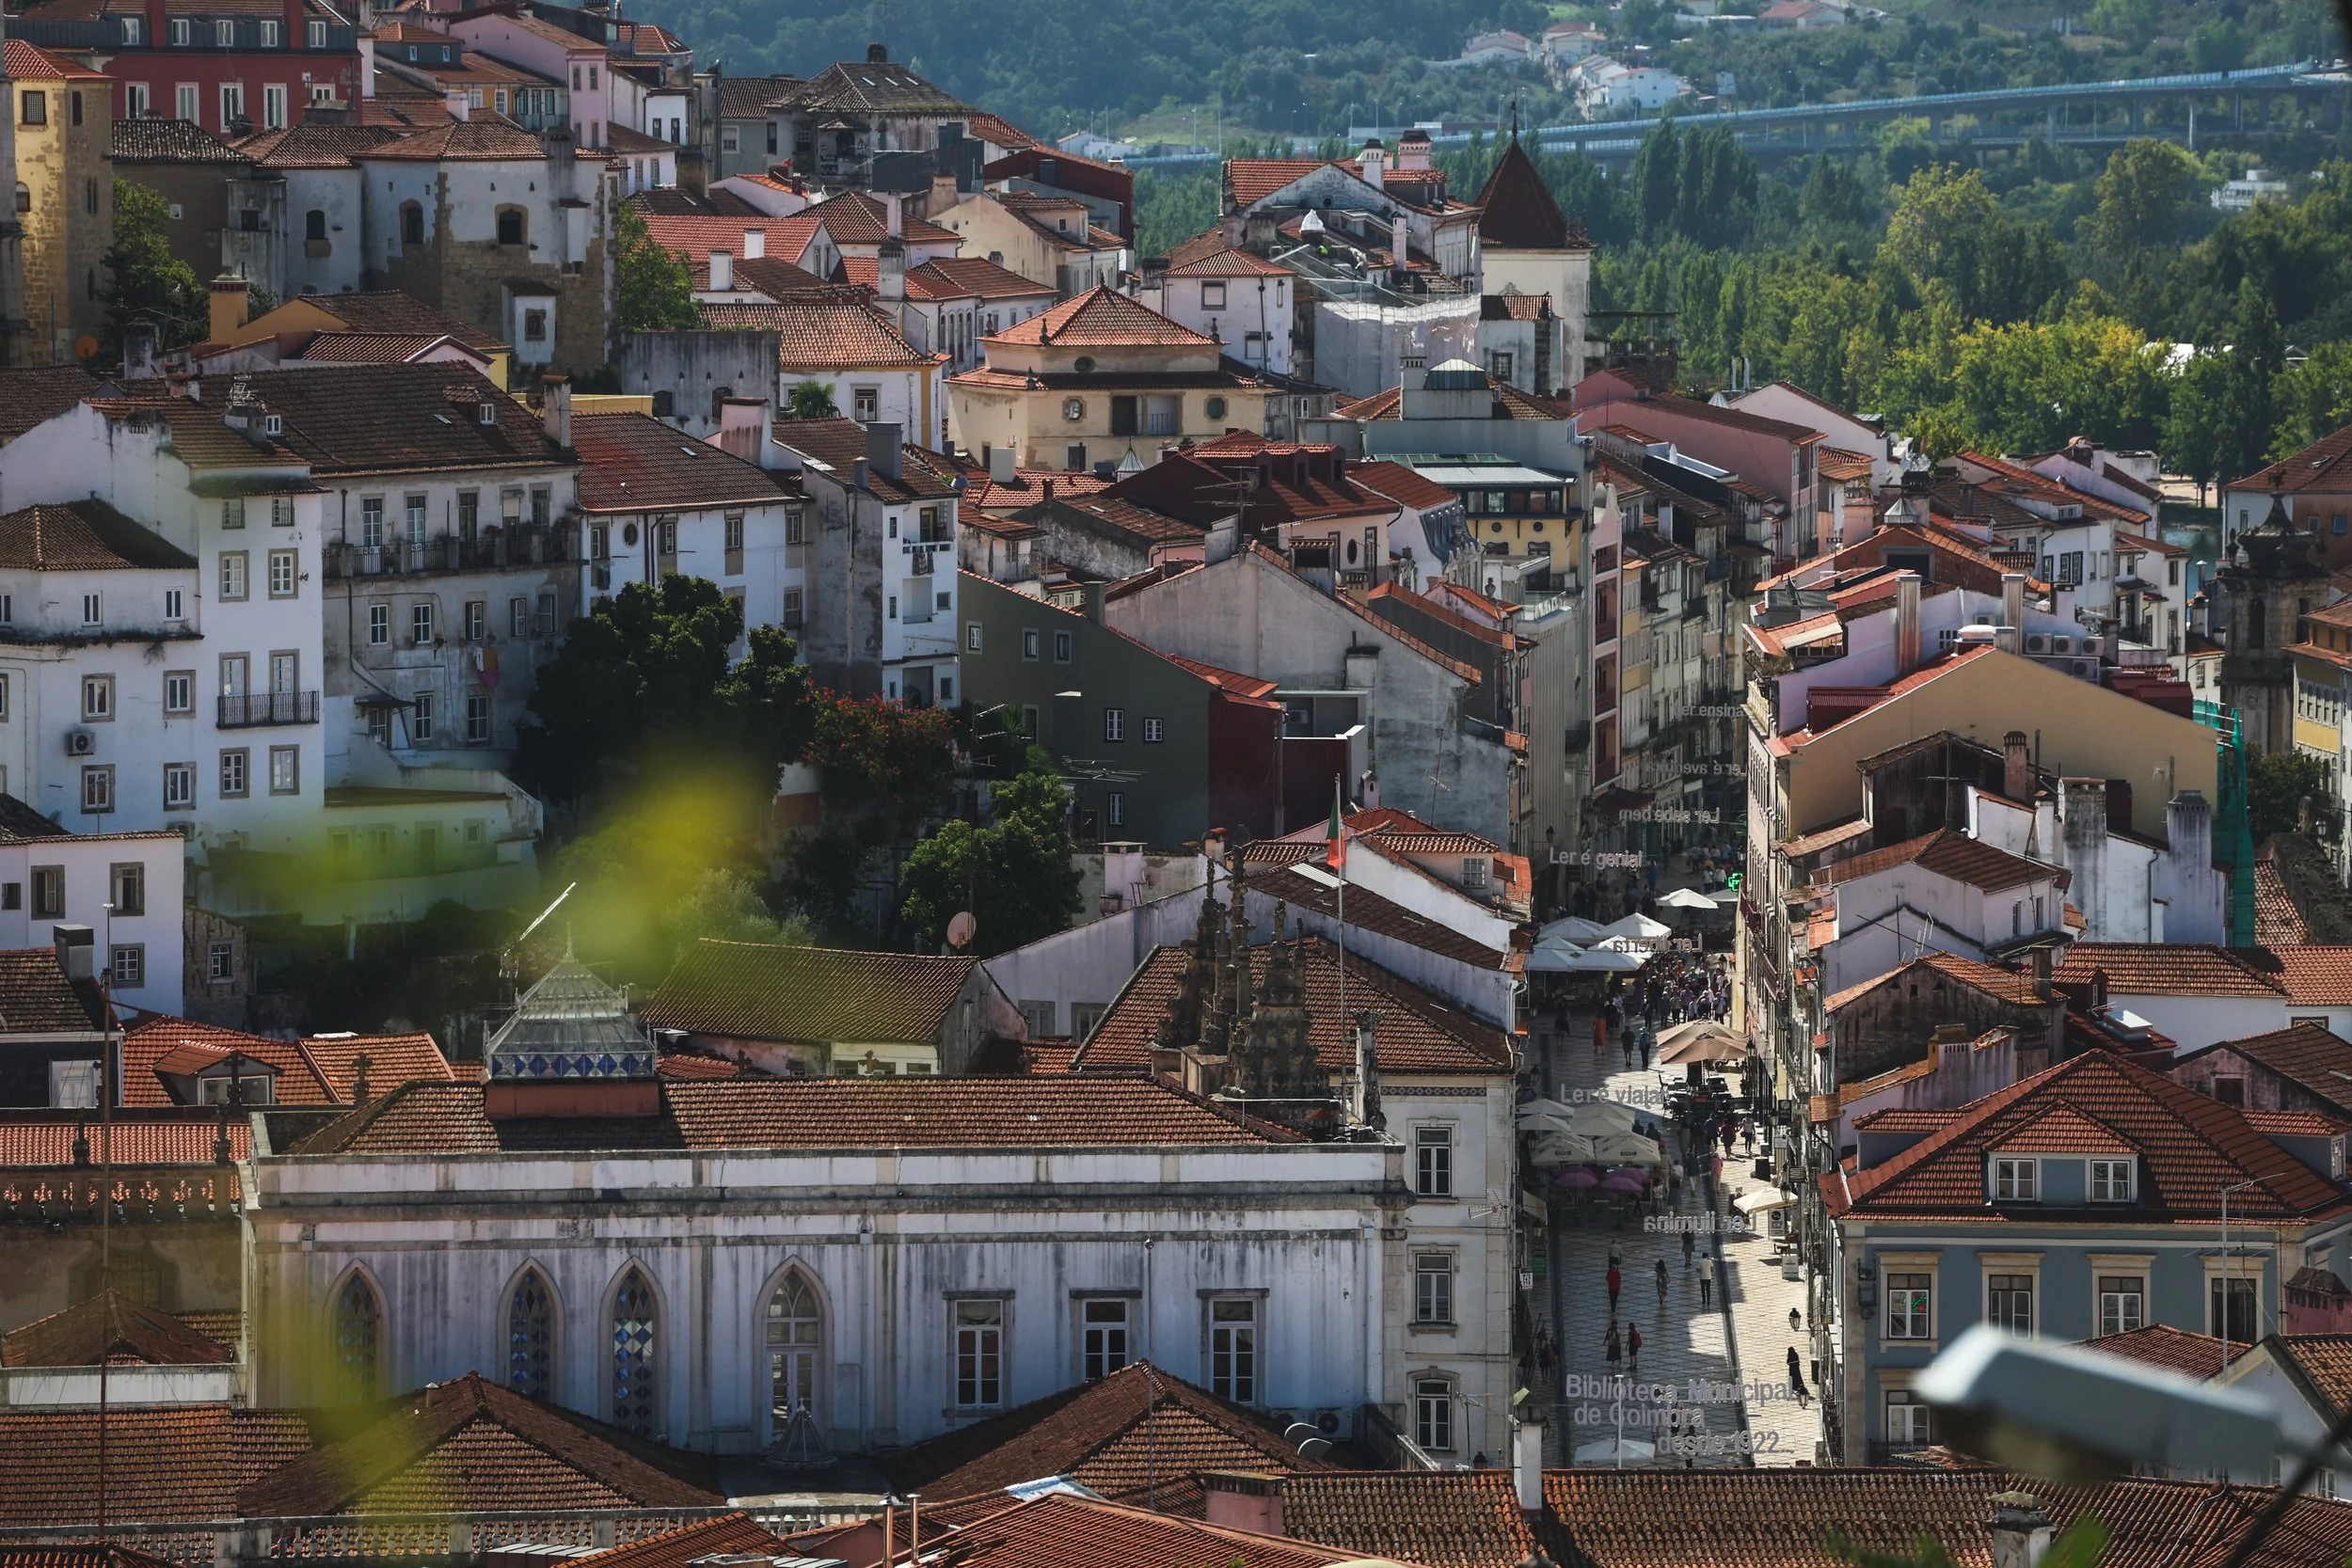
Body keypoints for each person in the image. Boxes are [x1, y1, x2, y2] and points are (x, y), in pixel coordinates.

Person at [1788, 1344, 1810, 1408]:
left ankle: (1796, 1387)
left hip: (1793, 1369)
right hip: (1796, 1369)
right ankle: (1797, 1387)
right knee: (1797, 1378)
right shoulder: (1795, 1354)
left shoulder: (1792, 1355)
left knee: (1794, 1378)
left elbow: (1788, 1361)